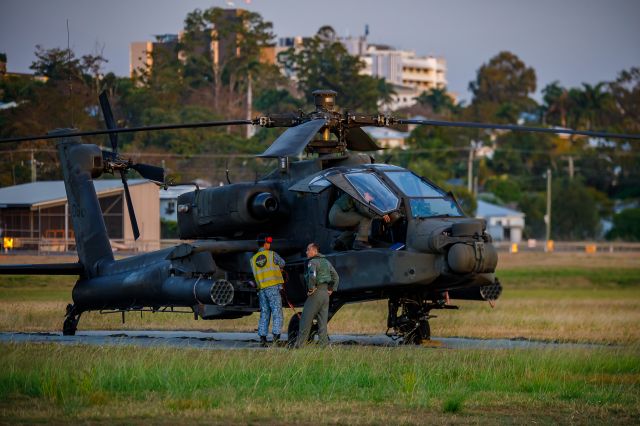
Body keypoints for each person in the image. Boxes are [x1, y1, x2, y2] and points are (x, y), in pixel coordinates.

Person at [295, 242, 339, 348]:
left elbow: (312, 276)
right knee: (322, 323)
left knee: (305, 320)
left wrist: (311, 288)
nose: (306, 252)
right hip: (325, 295)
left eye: (308, 249)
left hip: (316, 293)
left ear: (314, 251)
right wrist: (332, 289)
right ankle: (324, 346)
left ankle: (299, 346)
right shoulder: (326, 262)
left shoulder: (313, 262)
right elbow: (336, 276)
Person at [249, 234, 285, 347]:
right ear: (265, 244)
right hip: (273, 287)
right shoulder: (272, 254)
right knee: (277, 312)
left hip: (261, 289)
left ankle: (263, 339)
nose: (269, 245)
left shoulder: (253, 259)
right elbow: (283, 263)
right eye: (268, 243)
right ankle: (276, 338)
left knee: (265, 312)